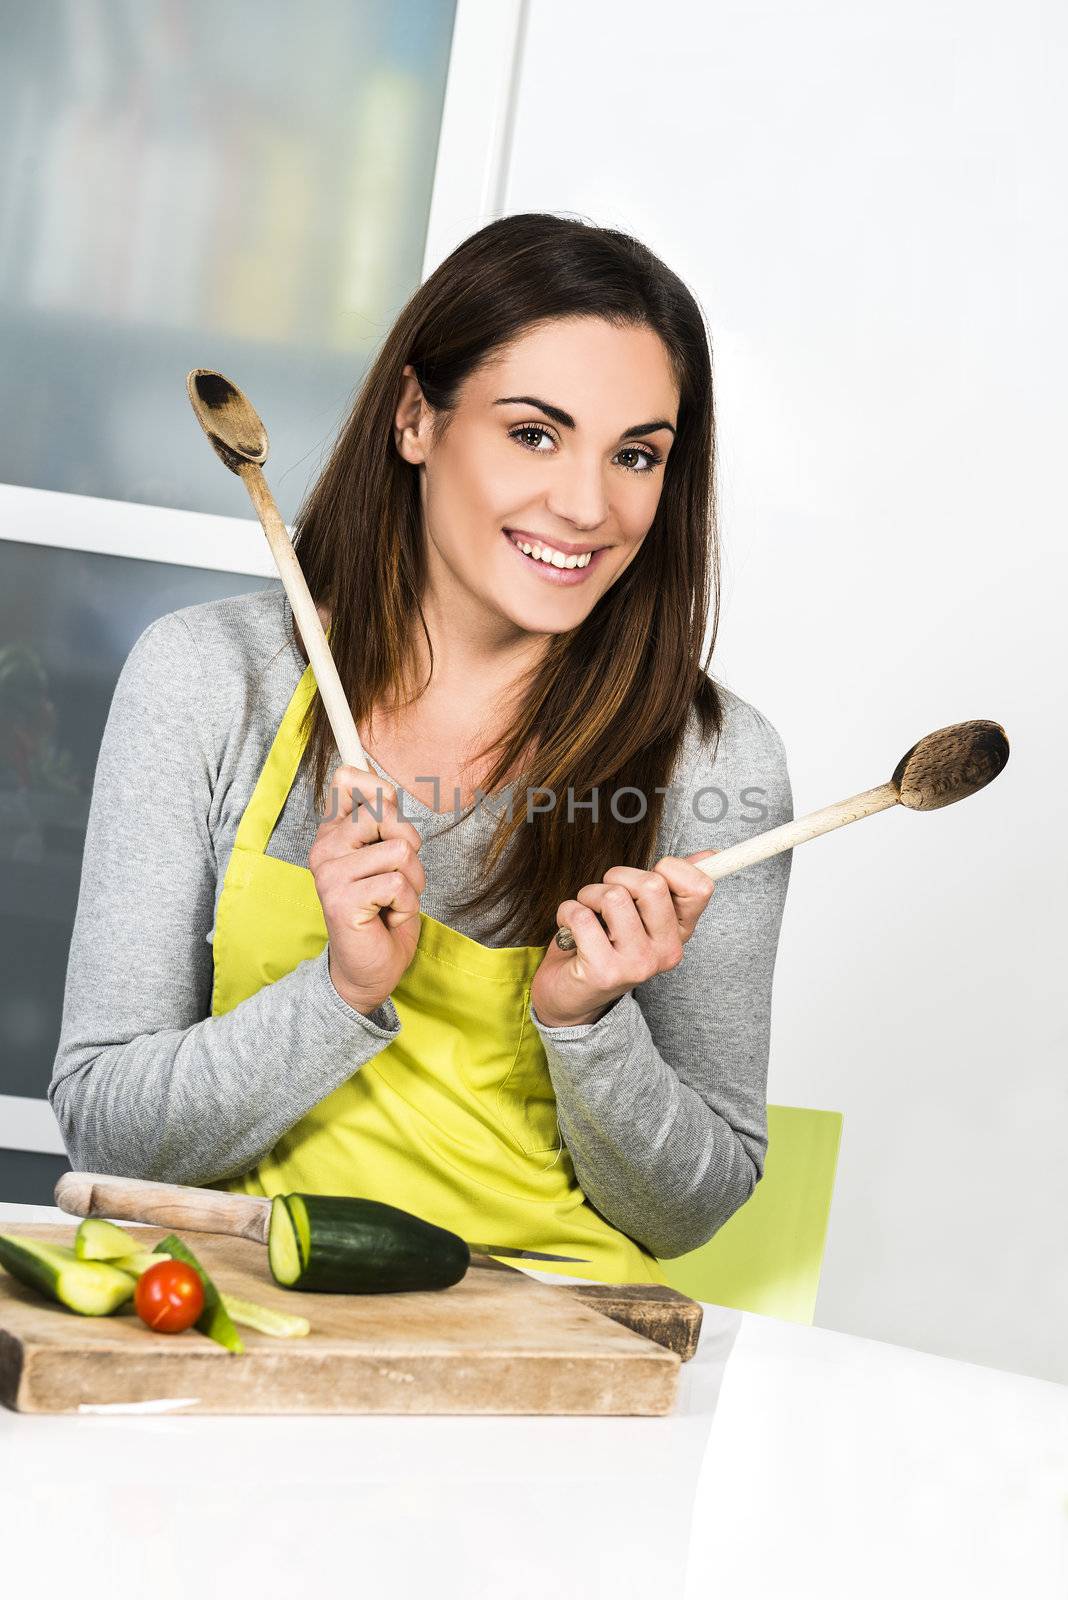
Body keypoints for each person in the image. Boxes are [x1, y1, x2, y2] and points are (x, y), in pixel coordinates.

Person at [49, 213, 794, 1286]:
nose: (587, 506)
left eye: (636, 454)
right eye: (534, 433)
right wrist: (340, 992)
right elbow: (109, 1138)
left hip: (552, 1358)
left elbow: (690, 1211)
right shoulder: (212, 681)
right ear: (415, 418)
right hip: (235, 1314)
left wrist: (584, 1023)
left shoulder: (719, 765)